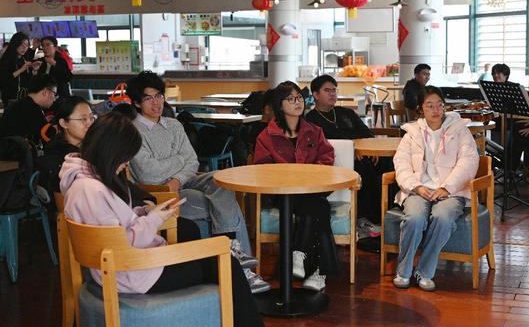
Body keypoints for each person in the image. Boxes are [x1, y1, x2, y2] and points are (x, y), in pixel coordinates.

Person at [60, 113, 263, 327]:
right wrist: (154, 219)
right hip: (133, 272)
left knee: (205, 249)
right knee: (226, 263)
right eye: (125, 156)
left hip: (127, 268)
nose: (126, 163)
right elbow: (123, 245)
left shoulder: (85, 180)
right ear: (111, 150)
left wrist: (142, 212)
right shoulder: (91, 190)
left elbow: (116, 225)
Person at [125, 71, 270, 294]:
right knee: (215, 203)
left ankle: (234, 251)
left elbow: (192, 161)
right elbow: (149, 174)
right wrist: (179, 160)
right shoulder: (132, 131)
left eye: (159, 96)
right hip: (160, 194)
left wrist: (177, 178)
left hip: (182, 182)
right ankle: (241, 270)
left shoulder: (174, 125)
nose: (156, 103)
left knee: (221, 180)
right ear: (136, 102)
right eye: (148, 98)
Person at [392, 86, 479, 291]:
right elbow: (401, 163)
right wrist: (416, 186)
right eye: (429, 105)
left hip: (451, 191)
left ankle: (425, 271)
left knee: (443, 217)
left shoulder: (460, 130)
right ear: (421, 109)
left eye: (439, 105)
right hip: (418, 190)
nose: (436, 110)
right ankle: (403, 271)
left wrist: (447, 187)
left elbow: (469, 161)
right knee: (414, 218)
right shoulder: (412, 133)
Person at [253, 81, 338, 291]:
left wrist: (309, 178)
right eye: (290, 99)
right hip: (283, 193)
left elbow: (326, 157)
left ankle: (298, 255)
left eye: (299, 97)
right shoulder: (266, 136)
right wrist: (288, 180)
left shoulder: (314, 131)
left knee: (314, 202)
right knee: (319, 208)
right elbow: (262, 169)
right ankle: (318, 271)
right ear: (279, 105)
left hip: (312, 188)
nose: (297, 102)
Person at [305, 74, 388, 236]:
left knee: (388, 163)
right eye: (327, 90)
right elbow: (322, 144)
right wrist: (349, 150)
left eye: (334, 90)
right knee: (364, 168)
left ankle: (388, 214)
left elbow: (366, 133)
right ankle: (364, 218)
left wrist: (371, 149)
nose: (332, 94)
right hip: (337, 160)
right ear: (315, 94)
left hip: (363, 154)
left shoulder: (346, 113)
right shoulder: (311, 119)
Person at [36, 96, 96, 195]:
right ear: (64, 123)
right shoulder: (58, 158)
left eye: (91, 117)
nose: (89, 123)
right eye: (83, 119)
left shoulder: (93, 146)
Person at [0, 74, 57, 145]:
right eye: (54, 94)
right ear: (45, 92)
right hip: (11, 150)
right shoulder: (31, 107)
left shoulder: (24, 103)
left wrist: (43, 121)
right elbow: (48, 135)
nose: (54, 99)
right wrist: (61, 126)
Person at [0, 32, 40, 107]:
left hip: (24, 97)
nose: (24, 48)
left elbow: (27, 79)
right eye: (22, 45)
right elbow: (4, 80)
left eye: (27, 45)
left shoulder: (23, 59)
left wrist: (34, 70)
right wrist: (21, 70)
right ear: (15, 44)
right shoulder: (6, 60)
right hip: (11, 98)